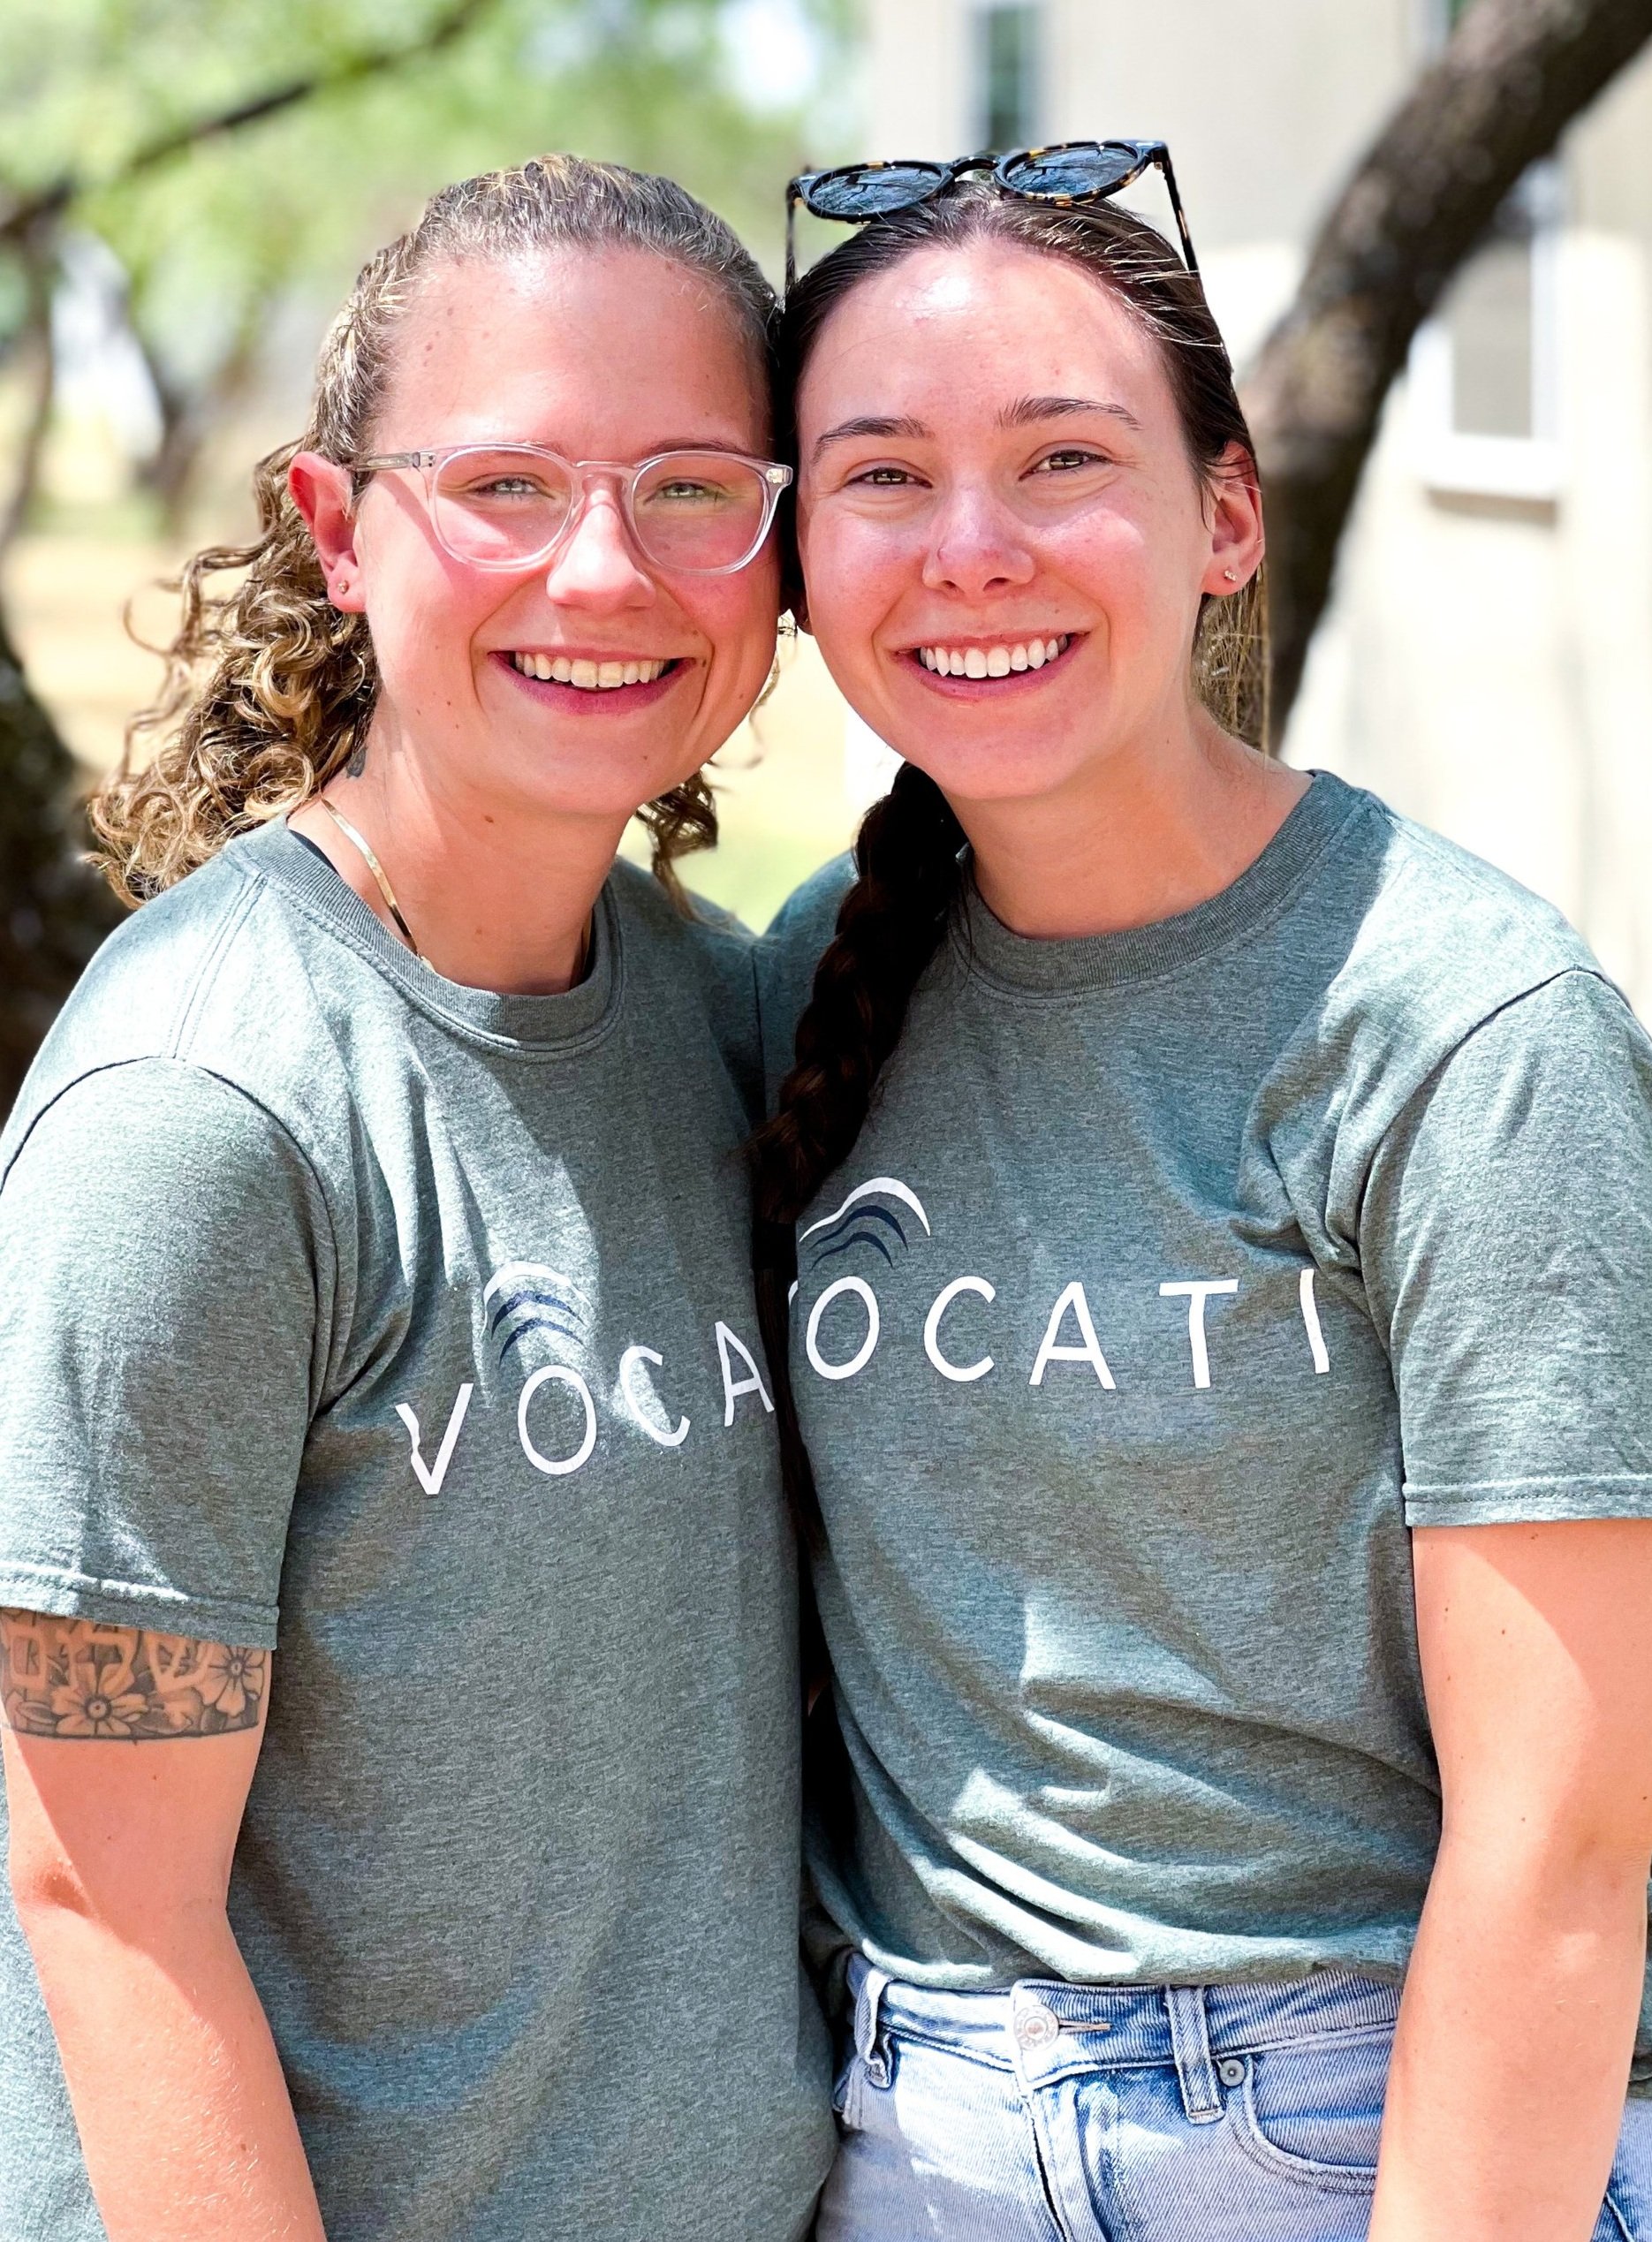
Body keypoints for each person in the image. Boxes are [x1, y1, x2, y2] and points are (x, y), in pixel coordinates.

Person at [754, 161, 1652, 2240]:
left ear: (1228, 519)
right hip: (906, 2133)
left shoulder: (1468, 1030)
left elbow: (1559, 1842)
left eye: (1063, 459)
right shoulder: (812, 982)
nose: (970, 550)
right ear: (801, 560)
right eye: (881, 477)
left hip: (1383, 2127)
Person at [0, 154, 832, 2242]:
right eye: (507, 487)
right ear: (338, 528)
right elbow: (100, 1898)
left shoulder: (709, 1020)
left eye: (689, 489)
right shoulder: (201, 1117)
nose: (603, 572)